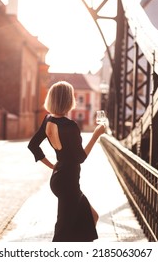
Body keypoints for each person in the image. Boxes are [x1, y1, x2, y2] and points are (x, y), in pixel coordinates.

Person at [28, 81, 105, 242]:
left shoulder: (48, 119)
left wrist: (53, 166)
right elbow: (80, 158)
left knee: (92, 217)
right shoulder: (70, 126)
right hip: (68, 182)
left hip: (60, 179)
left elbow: (33, 145)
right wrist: (96, 135)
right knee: (62, 231)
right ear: (68, 100)